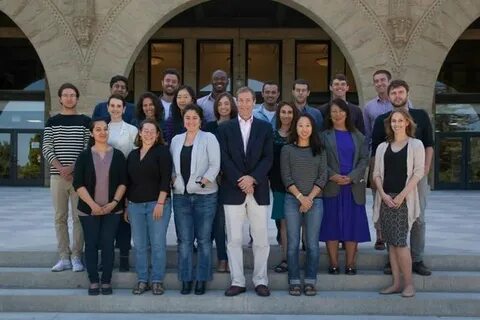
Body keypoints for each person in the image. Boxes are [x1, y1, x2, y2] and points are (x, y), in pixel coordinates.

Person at [371, 80, 434, 276]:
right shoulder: (383, 120)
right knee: (389, 219)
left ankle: (417, 259)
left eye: (400, 92)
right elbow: (375, 153)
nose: (397, 96)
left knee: (418, 218)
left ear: (407, 93)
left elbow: (429, 146)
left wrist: (424, 171)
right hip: (390, 179)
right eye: (393, 93)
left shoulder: (420, 116)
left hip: (417, 176)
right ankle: (393, 261)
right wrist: (375, 182)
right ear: (388, 97)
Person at [217, 86, 273, 297]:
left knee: (261, 239)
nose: (244, 104)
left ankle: (260, 280)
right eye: (240, 100)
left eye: (248, 100)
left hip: (258, 190)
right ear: (236, 103)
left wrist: (253, 179)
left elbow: (268, 158)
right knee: (233, 239)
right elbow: (223, 158)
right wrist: (241, 180)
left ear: (254, 101)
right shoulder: (225, 129)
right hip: (233, 189)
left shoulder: (265, 128)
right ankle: (238, 281)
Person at [373, 109, 425, 298]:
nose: (397, 124)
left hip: (404, 200)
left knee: (401, 242)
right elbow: (376, 174)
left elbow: (418, 173)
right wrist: (382, 194)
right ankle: (396, 283)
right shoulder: (382, 147)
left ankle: (409, 284)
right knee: (391, 244)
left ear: (407, 123)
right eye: (394, 121)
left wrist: (402, 195)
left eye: (400, 120)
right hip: (386, 199)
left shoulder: (416, 145)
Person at [73, 118, 127, 295]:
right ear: (91, 133)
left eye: (105, 129)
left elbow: (123, 182)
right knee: (91, 244)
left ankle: (106, 281)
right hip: (88, 210)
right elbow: (78, 184)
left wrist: (113, 203)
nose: (102, 132)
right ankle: (94, 280)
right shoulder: (84, 156)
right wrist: (93, 205)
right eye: (98, 129)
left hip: (112, 210)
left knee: (108, 244)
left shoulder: (118, 155)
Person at [170, 104, 221, 295]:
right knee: (184, 240)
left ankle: (201, 279)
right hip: (181, 197)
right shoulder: (176, 140)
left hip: (205, 196)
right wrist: (175, 180)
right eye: (187, 117)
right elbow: (172, 167)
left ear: (201, 120)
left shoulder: (209, 138)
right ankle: (186, 278)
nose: (190, 121)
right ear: (183, 120)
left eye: (194, 118)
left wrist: (202, 183)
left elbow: (215, 165)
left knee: (204, 240)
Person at [42, 83, 90, 272]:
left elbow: (87, 148)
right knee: (60, 217)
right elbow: (46, 148)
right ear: (60, 98)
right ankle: (64, 257)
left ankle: (77, 256)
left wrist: (72, 168)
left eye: (72, 95)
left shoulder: (86, 121)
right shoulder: (52, 122)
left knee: (79, 218)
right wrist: (61, 168)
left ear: (77, 98)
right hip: (57, 177)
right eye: (65, 95)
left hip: (79, 179)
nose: (69, 98)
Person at [319, 98, 370, 275]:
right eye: (334, 111)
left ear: (347, 113)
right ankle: (333, 263)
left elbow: (364, 160)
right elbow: (319, 160)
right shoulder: (323, 136)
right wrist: (332, 175)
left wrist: (352, 176)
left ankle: (350, 264)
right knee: (331, 225)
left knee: (352, 227)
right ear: (329, 114)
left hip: (353, 187)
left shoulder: (359, 136)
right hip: (332, 186)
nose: (337, 114)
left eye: (341, 111)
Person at [281, 113, 327, 296]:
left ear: (312, 128)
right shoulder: (287, 150)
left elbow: (323, 176)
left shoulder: (320, 150)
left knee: (312, 244)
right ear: (295, 128)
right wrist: (301, 198)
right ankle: (293, 280)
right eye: (300, 125)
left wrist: (309, 199)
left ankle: (310, 280)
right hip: (292, 200)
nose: (304, 129)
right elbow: (286, 176)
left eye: (308, 125)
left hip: (315, 201)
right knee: (292, 243)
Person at [126, 119, 172, 295]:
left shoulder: (162, 152)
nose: (149, 134)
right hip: (135, 206)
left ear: (158, 134)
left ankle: (157, 280)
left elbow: (165, 179)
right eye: (146, 130)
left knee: (158, 244)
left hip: (157, 204)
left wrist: (160, 203)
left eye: (153, 131)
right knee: (139, 245)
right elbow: (127, 182)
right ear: (140, 132)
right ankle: (142, 279)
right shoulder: (132, 155)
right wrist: (126, 206)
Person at [204, 92, 238, 273]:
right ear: (216, 107)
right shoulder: (209, 127)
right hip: (213, 180)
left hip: (231, 179)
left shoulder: (237, 126)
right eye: (220, 104)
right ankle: (220, 258)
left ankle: (230, 259)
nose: (223, 107)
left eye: (227, 104)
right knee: (216, 221)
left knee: (230, 223)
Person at [106, 94, 138, 271]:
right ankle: (108, 257)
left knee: (125, 220)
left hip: (126, 179)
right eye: (113, 106)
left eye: (119, 106)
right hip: (106, 181)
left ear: (124, 109)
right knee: (109, 219)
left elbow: (134, 156)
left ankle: (124, 258)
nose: (115, 109)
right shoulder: (103, 128)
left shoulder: (132, 130)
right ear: (108, 108)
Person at [363, 69, 393, 251]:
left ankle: (395, 234)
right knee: (377, 197)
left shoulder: (402, 103)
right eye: (376, 81)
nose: (380, 83)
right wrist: (368, 160)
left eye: (383, 80)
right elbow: (367, 135)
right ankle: (380, 235)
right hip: (377, 156)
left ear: (389, 82)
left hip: (398, 155)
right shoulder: (369, 107)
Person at [269, 101, 300, 274]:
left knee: (300, 223)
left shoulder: (300, 134)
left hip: (301, 184)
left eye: (289, 112)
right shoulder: (272, 136)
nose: (286, 115)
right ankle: (285, 259)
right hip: (280, 186)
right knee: (284, 224)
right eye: (283, 112)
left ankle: (298, 256)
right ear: (278, 114)